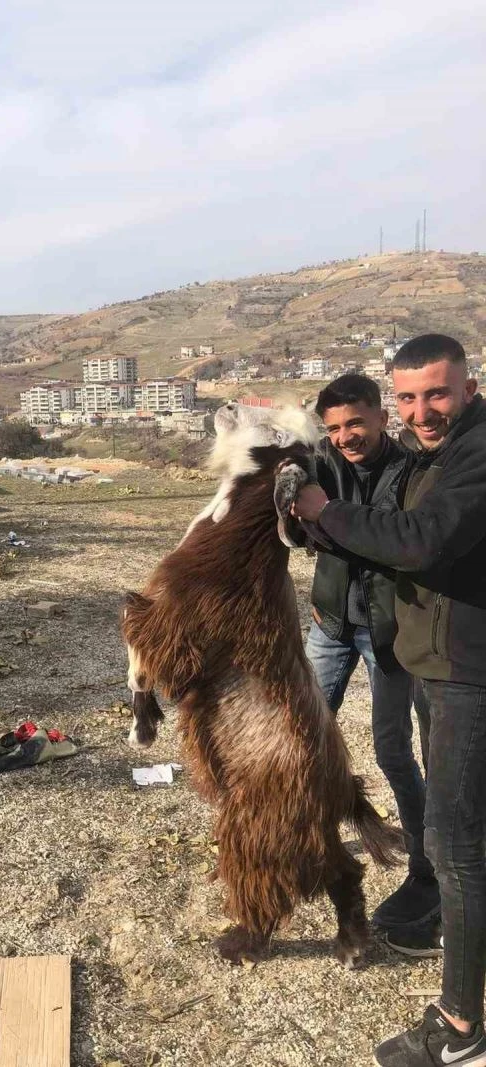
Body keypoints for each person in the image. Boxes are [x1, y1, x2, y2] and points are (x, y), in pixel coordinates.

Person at [293, 334, 486, 1067]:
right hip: (437, 660)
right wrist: (307, 517)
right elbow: (386, 544)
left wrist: (324, 508)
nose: (422, 409)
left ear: (467, 384)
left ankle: (461, 1028)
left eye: (435, 393)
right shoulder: (437, 453)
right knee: (459, 835)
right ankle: (457, 933)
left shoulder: (473, 452)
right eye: (409, 396)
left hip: (470, 669)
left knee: (455, 842)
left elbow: (421, 540)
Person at [303, 374, 438, 932]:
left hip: (387, 633)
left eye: (355, 422)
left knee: (392, 749)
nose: (345, 436)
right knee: (299, 736)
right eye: (334, 428)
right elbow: (301, 531)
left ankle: (426, 863)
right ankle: (303, 842)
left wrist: (331, 523)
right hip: (331, 623)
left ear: (382, 416)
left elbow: (399, 545)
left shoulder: (411, 471)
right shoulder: (321, 463)